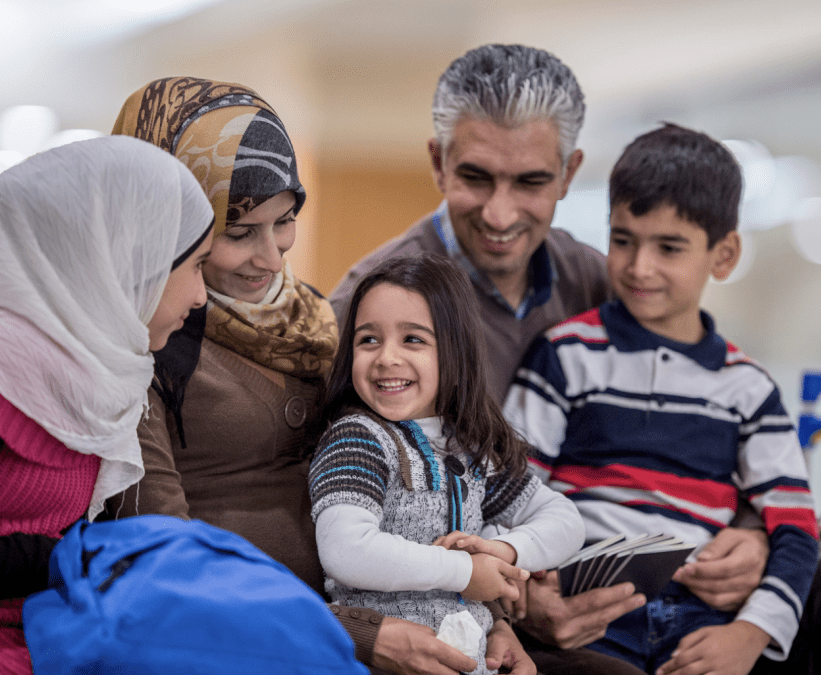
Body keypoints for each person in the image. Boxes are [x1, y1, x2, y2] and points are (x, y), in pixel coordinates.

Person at [329, 44, 770, 672]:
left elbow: (708, 408)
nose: (500, 213)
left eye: (531, 182)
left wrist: (752, 532)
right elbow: (325, 511)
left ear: (569, 173)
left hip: (594, 599)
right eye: (476, 177)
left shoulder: (596, 282)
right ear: (438, 162)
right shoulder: (364, 310)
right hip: (435, 622)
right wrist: (511, 607)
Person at [107, 77, 538, 675]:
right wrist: (358, 635)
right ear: (172, 226)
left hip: (399, 613)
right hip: (249, 640)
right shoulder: (140, 345)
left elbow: (435, 476)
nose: (271, 256)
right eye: (237, 232)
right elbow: (163, 559)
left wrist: (494, 622)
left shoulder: (318, 323)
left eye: (284, 221)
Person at [502, 123, 820, 675]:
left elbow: (795, 527)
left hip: (704, 625)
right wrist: (526, 591)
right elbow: (509, 491)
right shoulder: (564, 354)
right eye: (623, 239)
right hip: (585, 613)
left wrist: (749, 636)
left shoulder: (749, 388)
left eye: (668, 247)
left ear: (724, 255)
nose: (638, 266)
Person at [0, 135, 215, 674]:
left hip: (47, 622)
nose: (201, 297)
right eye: (195, 266)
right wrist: (65, 558)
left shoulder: (101, 367)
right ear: (130, 258)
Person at [310, 255, 585, 675]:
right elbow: (345, 550)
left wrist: (505, 551)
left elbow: (565, 520)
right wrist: (464, 571)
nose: (386, 357)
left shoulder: (470, 449)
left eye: (413, 340)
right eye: (368, 340)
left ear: (455, 351)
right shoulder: (358, 438)